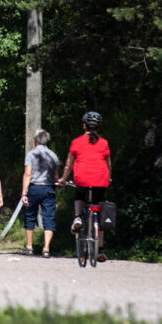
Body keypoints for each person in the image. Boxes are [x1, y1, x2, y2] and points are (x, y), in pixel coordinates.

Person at [61, 111, 112, 261]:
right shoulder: (104, 143)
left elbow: (68, 165)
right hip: (100, 181)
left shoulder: (76, 142)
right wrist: (108, 179)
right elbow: (108, 164)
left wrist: (63, 179)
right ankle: (100, 249)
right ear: (99, 127)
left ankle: (77, 218)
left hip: (82, 179)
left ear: (84, 126)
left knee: (79, 194)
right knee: (99, 209)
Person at [20, 129, 60, 257]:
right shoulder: (53, 155)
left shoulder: (31, 154)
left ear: (36, 140)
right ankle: (46, 248)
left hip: (34, 188)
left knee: (30, 216)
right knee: (48, 217)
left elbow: (27, 174)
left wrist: (24, 193)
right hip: (49, 188)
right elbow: (56, 175)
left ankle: (29, 247)